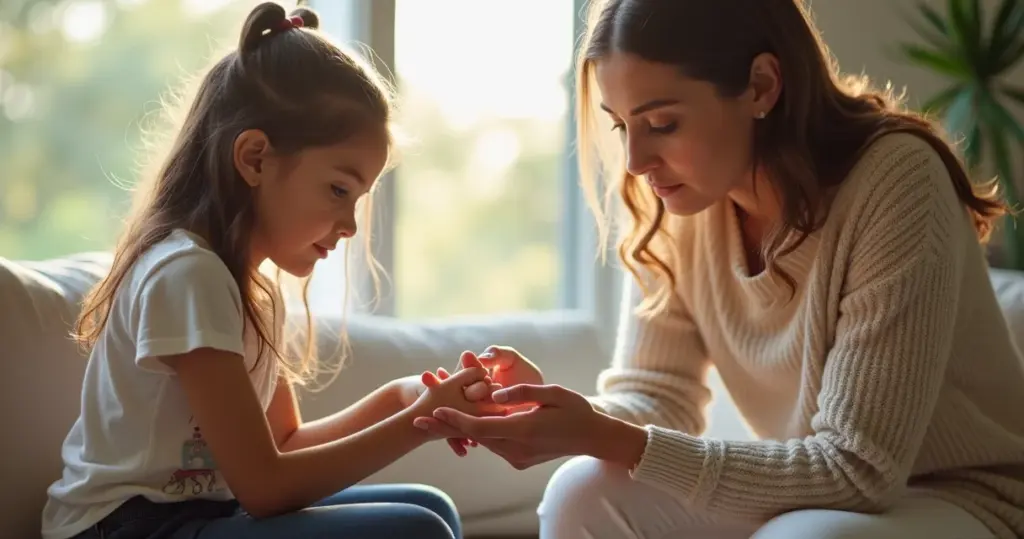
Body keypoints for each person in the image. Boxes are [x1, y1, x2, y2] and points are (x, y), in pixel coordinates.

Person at [414, 0, 1024, 538]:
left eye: (662, 124)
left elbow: (859, 470)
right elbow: (656, 401)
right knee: (581, 489)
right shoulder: (684, 201)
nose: (635, 160)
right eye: (622, 126)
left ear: (761, 85)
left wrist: (605, 435)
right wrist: (556, 414)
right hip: (817, 490)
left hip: (965, 498)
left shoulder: (896, 181)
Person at [41, 3, 500, 539]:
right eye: (338, 190)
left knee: (430, 508)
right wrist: (417, 428)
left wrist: (403, 399)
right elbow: (266, 488)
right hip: (124, 526)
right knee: (414, 528)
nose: (350, 225)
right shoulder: (187, 274)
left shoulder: (252, 290)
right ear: (255, 159)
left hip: (200, 515)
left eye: (359, 199)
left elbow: (284, 445)